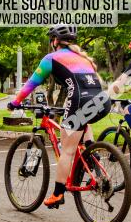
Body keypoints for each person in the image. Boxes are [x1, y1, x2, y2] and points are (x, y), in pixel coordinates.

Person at [8, 24, 110, 208]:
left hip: (80, 101)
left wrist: (15, 102)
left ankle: (58, 194)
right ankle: (92, 157)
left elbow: (31, 83)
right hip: (102, 102)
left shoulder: (51, 58)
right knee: (83, 123)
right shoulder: (83, 58)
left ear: (55, 41)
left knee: (68, 150)